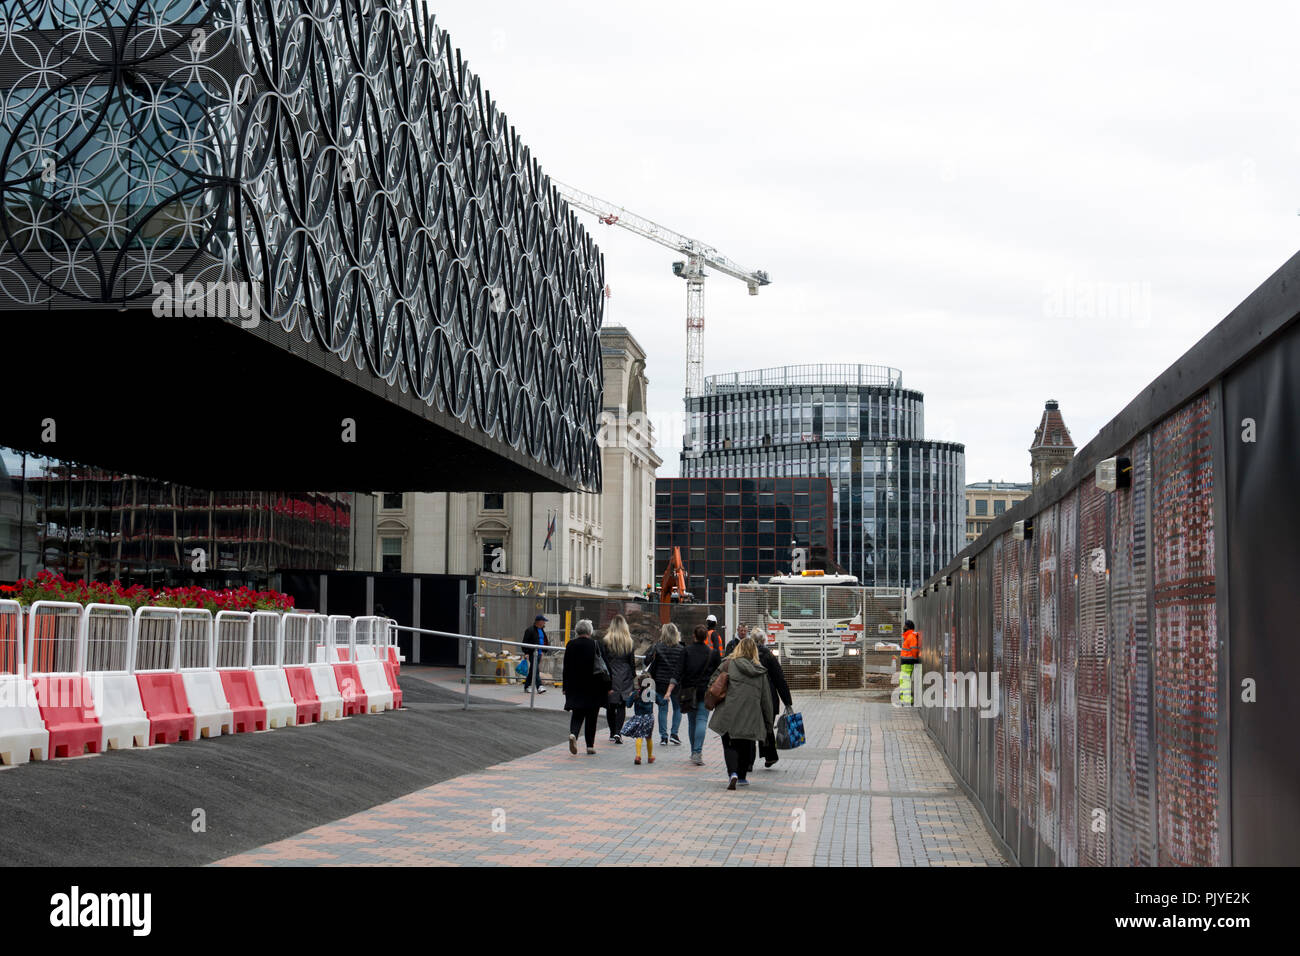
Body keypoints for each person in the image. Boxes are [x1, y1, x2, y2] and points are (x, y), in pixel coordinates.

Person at [707, 636, 774, 790]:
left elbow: (712, 684)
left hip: (728, 712)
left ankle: (733, 773)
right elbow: (766, 700)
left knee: (729, 744)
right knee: (746, 744)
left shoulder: (728, 664)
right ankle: (743, 776)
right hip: (751, 715)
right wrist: (768, 723)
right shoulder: (760, 671)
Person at [747, 626, 793, 769]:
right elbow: (780, 679)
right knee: (767, 727)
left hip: (750, 698)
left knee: (749, 729)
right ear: (763, 640)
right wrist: (787, 702)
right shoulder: (769, 655)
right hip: (769, 698)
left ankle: (748, 762)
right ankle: (770, 757)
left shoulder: (745, 655)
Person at [677, 624, 721, 765]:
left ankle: (693, 751)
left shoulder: (686, 651)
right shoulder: (712, 653)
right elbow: (718, 672)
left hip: (689, 691)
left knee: (692, 722)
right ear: (706, 637)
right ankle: (697, 752)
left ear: (694, 636)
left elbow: (680, 670)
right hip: (705, 691)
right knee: (702, 720)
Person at [562, 619, 606, 754]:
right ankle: (590, 746)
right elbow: (604, 666)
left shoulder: (570, 645)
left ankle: (574, 734)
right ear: (589, 631)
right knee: (592, 716)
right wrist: (608, 685)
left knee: (577, 713)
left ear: (577, 631)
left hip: (575, 684)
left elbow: (566, 667)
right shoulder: (595, 645)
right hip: (593, 685)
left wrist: (565, 685)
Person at [644, 623, 685, 745]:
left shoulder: (658, 646)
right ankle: (674, 733)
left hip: (660, 682)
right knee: (677, 708)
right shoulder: (681, 648)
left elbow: (647, 661)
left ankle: (663, 736)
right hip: (676, 683)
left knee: (663, 709)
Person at [602, 614, 637, 743]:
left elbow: (604, 660)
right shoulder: (629, 641)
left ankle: (612, 732)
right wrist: (633, 675)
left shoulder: (606, 641)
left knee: (610, 705)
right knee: (621, 705)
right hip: (625, 674)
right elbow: (631, 662)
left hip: (611, 674)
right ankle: (618, 732)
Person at [621, 672, 657, 764]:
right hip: (649, 718)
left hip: (639, 717)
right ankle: (650, 757)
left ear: (639, 683)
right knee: (648, 737)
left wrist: (630, 697)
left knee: (639, 736)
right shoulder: (652, 693)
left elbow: (628, 705)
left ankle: (638, 755)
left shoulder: (635, 693)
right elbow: (661, 702)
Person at [520, 614, 549, 694]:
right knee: (535, 669)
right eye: (543, 621)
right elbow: (525, 642)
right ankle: (539, 686)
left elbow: (544, 641)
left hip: (539, 653)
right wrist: (526, 652)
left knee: (533, 670)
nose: (544, 623)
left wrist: (544, 651)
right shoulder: (530, 630)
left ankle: (526, 686)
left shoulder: (542, 630)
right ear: (539, 622)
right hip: (532, 653)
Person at [899, 619, 920, 706]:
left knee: (905, 680)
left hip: (908, 662)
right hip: (906, 662)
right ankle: (904, 697)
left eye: (905, 626)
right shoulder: (908, 636)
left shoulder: (911, 637)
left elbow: (914, 649)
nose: (904, 627)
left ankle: (907, 699)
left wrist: (914, 658)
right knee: (903, 680)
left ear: (909, 627)